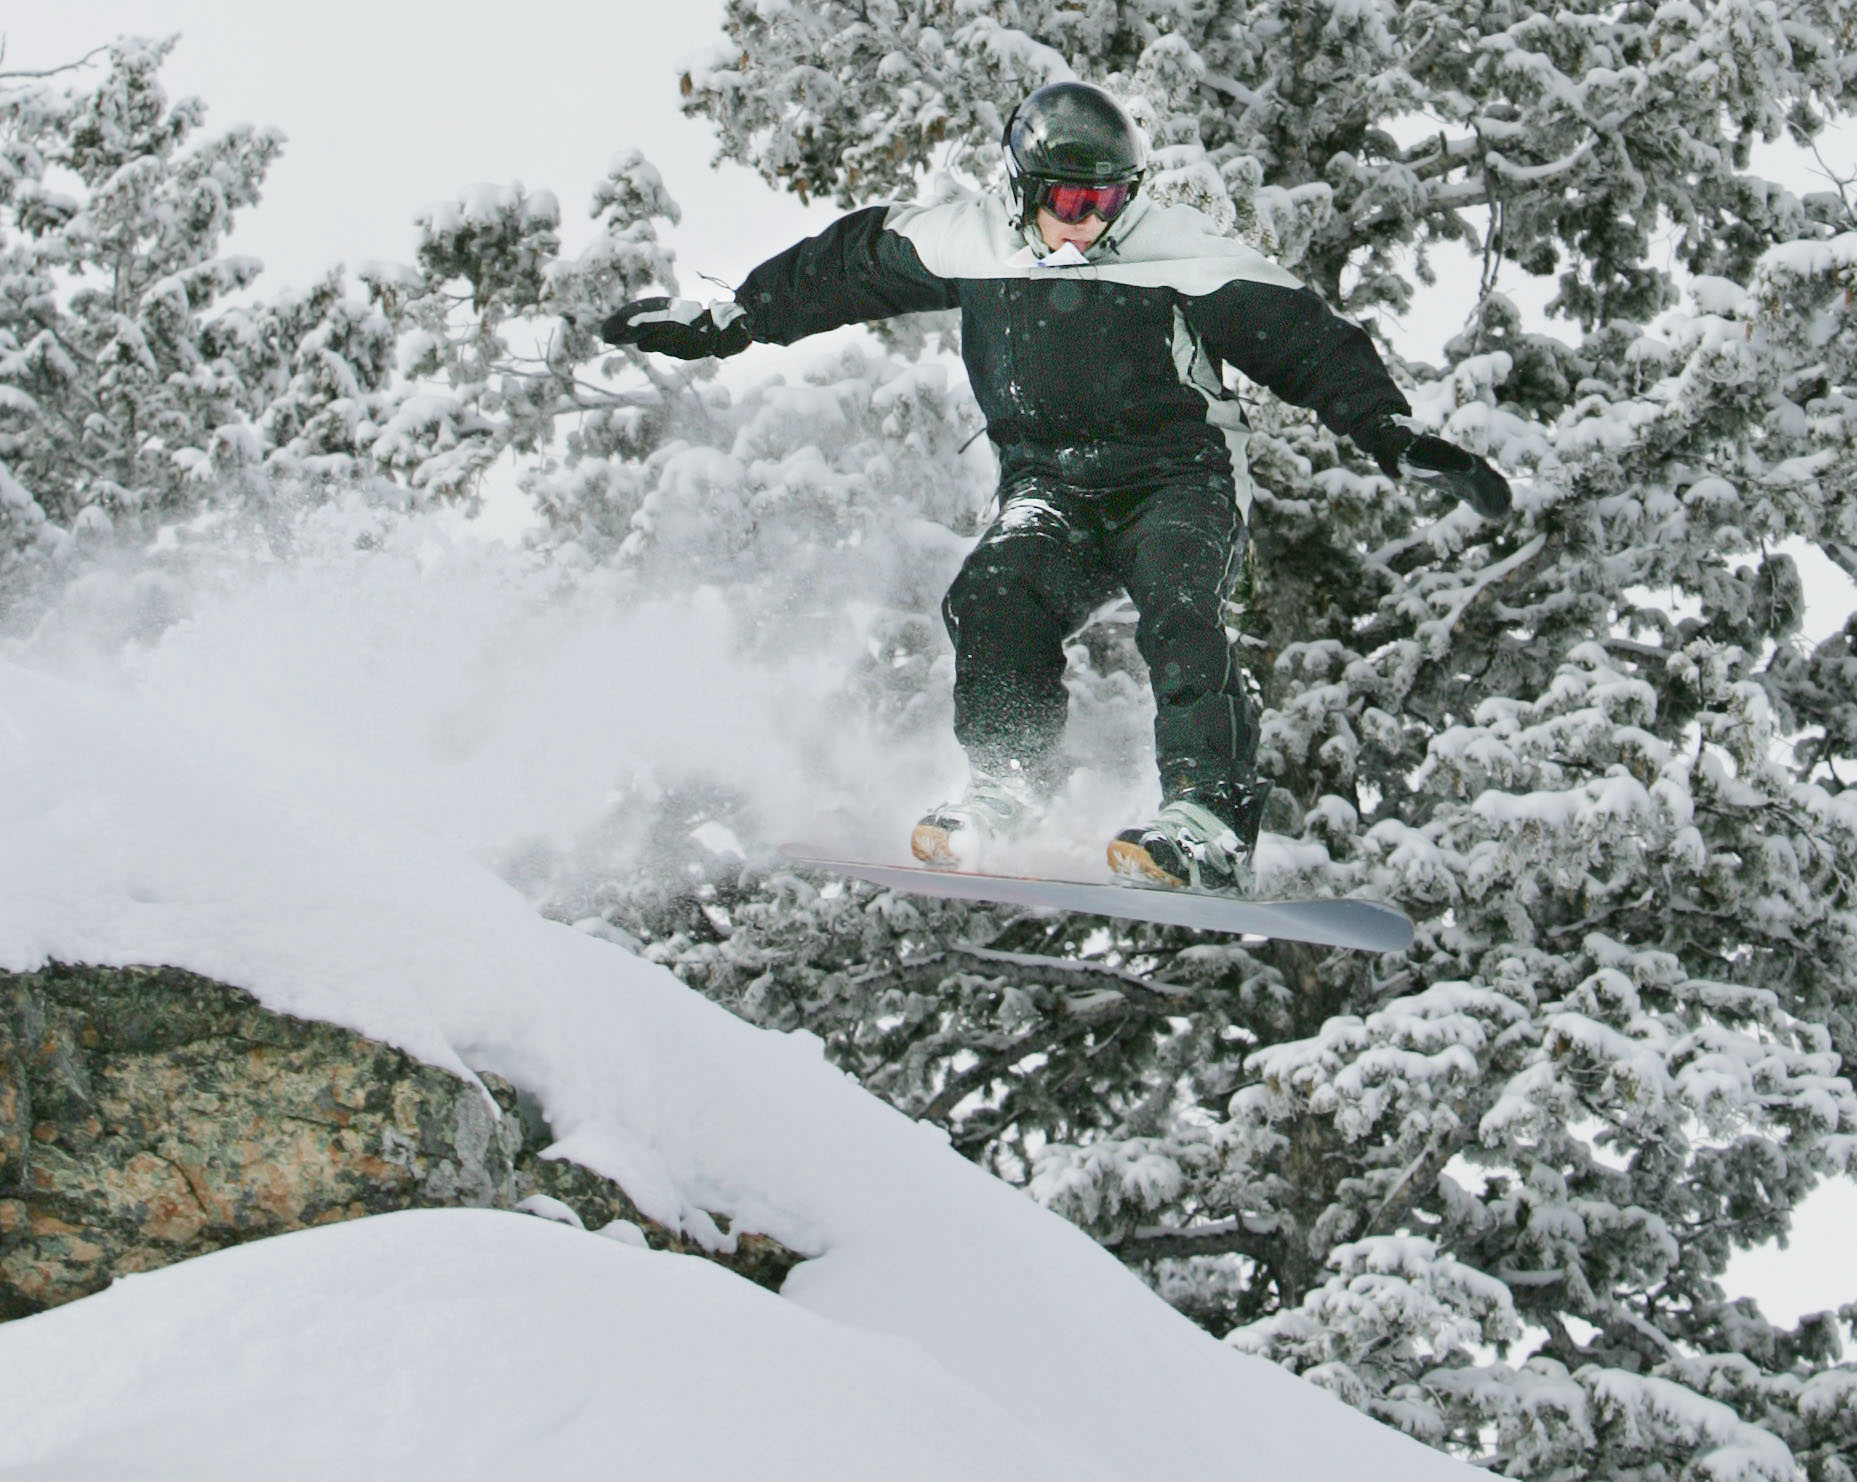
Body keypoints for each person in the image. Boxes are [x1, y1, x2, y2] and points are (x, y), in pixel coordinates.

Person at [602, 81, 1511, 893]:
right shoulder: (966, 237)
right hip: (1051, 486)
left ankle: (1206, 818)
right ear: (1022, 189)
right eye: (1070, 200)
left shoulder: (1182, 252)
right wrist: (730, 321)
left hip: (1176, 477)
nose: (1088, 220)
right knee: (992, 596)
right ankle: (1006, 782)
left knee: (1178, 604)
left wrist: (1389, 432)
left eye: (1109, 199)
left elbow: (1311, 345)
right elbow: (843, 269)